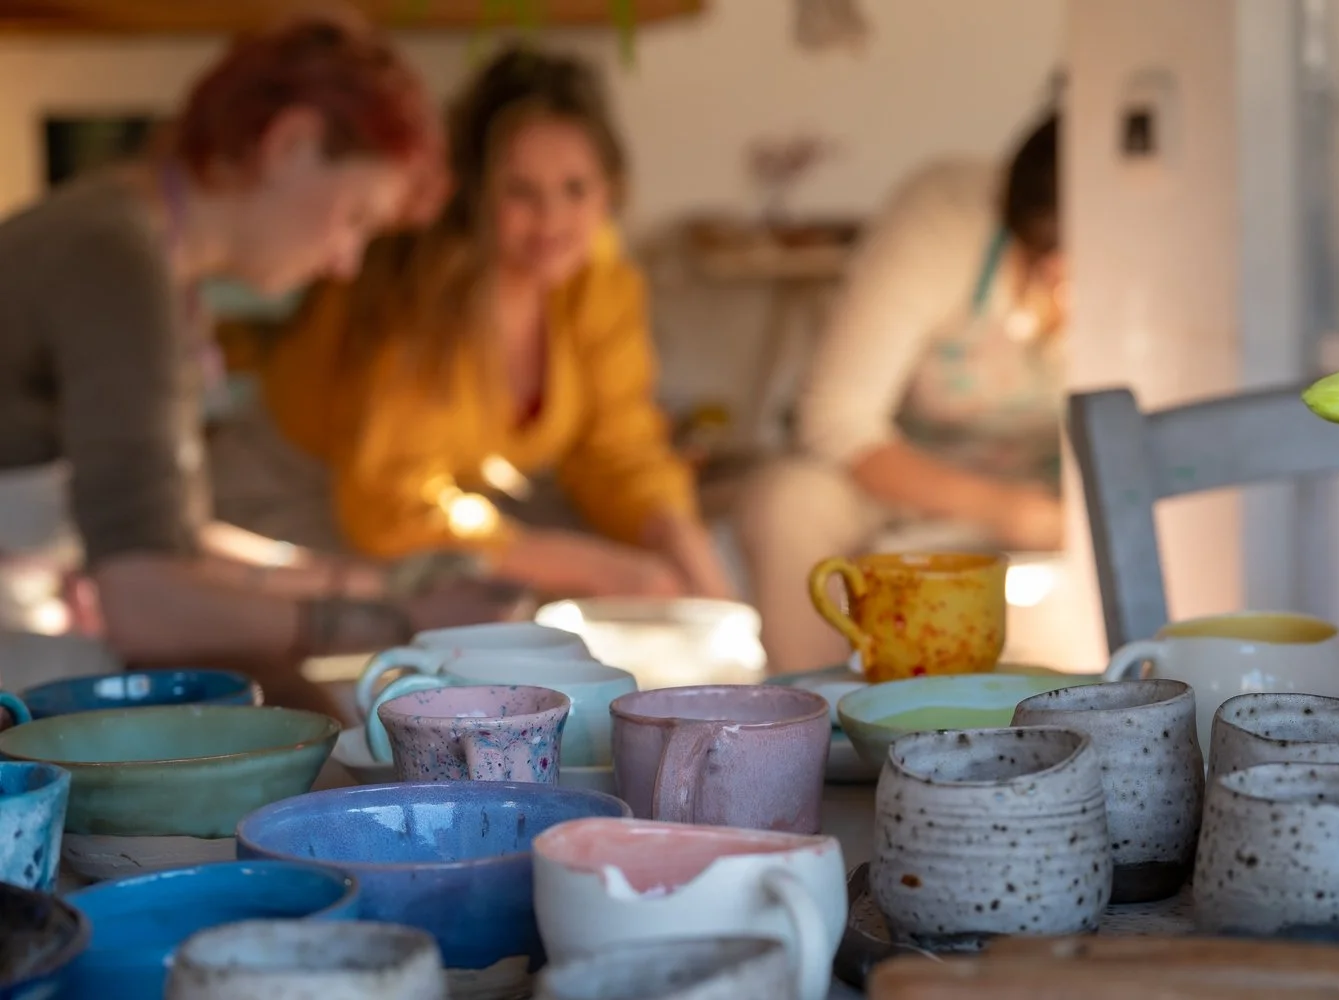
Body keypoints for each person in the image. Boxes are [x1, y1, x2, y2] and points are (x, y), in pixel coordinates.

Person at [0, 14, 517, 713]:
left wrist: (358, 582)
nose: (346, 262)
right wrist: (400, 623)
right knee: (302, 718)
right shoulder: (114, 260)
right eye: (356, 217)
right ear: (290, 143)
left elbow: (168, 537)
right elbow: (145, 602)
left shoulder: (138, 242)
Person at [216, 46, 734, 601]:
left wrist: (675, 537)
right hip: (307, 499)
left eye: (575, 189)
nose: (552, 218)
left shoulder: (597, 279)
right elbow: (393, 504)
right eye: (521, 192)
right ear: (476, 193)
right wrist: (597, 568)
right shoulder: (421, 286)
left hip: (463, 507)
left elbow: (617, 449)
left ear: (610, 190)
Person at [736, 113, 1065, 674]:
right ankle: (818, 708)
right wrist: (1008, 511)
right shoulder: (944, 219)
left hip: (1061, 497)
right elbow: (836, 417)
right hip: (921, 482)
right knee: (790, 504)